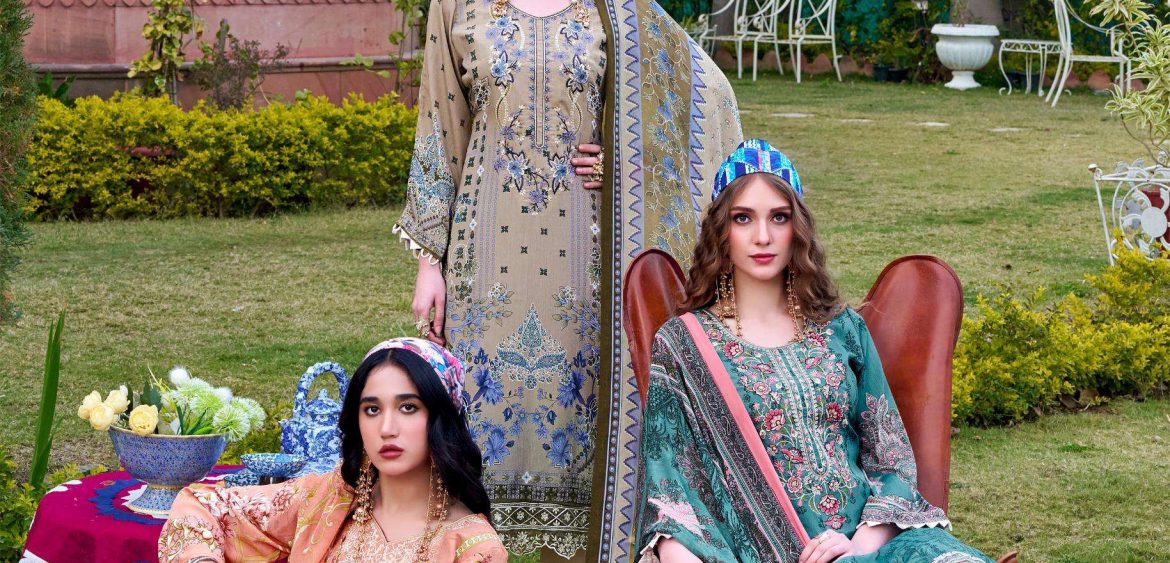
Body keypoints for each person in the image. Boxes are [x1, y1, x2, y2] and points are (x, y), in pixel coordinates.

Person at [392, 0, 744, 558]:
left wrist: (626, 163)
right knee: (475, 415)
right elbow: (440, 126)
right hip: (484, 257)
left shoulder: (617, 7)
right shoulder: (455, 5)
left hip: (588, 259)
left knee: (583, 418)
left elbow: (698, 88)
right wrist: (429, 262)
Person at [633, 140, 994, 563]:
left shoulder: (843, 330)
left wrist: (857, 547)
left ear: (798, 228)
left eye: (779, 217)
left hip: (869, 547)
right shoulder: (683, 345)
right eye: (743, 218)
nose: (763, 236)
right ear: (721, 232)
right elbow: (670, 495)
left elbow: (891, 458)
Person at [158, 337, 508, 562]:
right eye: (372, 409)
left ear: (440, 418)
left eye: (408, 407)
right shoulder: (329, 499)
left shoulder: (472, 547)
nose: (387, 428)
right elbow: (203, 504)